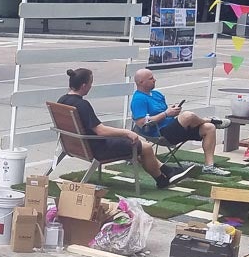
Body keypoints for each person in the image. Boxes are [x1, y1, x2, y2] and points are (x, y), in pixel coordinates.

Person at [58, 68, 196, 189]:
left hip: (76, 145)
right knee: (145, 147)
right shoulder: (82, 105)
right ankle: (162, 179)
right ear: (83, 85)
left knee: (141, 144)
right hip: (97, 148)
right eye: (90, 83)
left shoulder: (62, 100)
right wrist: (126, 132)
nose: (91, 86)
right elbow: (101, 131)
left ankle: (166, 173)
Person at [130, 68, 232, 176]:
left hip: (173, 128)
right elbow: (142, 123)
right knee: (188, 116)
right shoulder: (138, 99)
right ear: (141, 82)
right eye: (151, 78)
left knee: (209, 127)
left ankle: (209, 166)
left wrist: (173, 111)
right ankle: (210, 119)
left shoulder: (157, 94)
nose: (154, 80)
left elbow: (165, 113)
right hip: (160, 133)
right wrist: (166, 114)